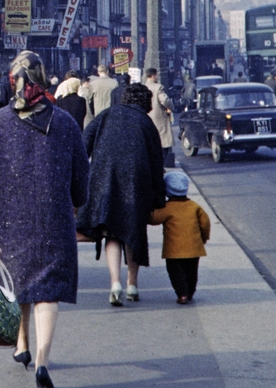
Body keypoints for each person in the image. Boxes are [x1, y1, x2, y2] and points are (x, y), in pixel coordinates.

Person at [0, 50, 89, 388]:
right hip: (53, 218)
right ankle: (42, 360)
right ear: (42, 79)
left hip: (6, 220)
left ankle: (21, 344)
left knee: (18, 284)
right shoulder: (64, 123)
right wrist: (77, 203)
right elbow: (82, 173)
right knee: (47, 292)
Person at [77, 82, 166, 306]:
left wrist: (81, 177)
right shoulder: (147, 123)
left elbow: (83, 144)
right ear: (146, 103)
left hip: (104, 181)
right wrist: (159, 196)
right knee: (134, 231)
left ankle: (115, 282)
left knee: (112, 233)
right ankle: (132, 284)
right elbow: (157, 163)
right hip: (137, 183)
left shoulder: (107, 114)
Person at [149, 170, 210, 304]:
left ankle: (182, 294)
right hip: (194, 248)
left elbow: (153, 219)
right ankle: (190, 292)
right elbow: (205, 223)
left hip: (174, 250)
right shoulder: (194, 206)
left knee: (176, 272)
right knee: (192, 272)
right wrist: (204, 237)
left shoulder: (167, 207)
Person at [146, 76, 176, 168]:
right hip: (159, 118)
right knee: (164, 143)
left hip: (146, 117)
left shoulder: (143, 87)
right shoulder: (158, 87)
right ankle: (159, 166)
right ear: (153, 76)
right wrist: (171, 108)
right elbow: (165, 100)